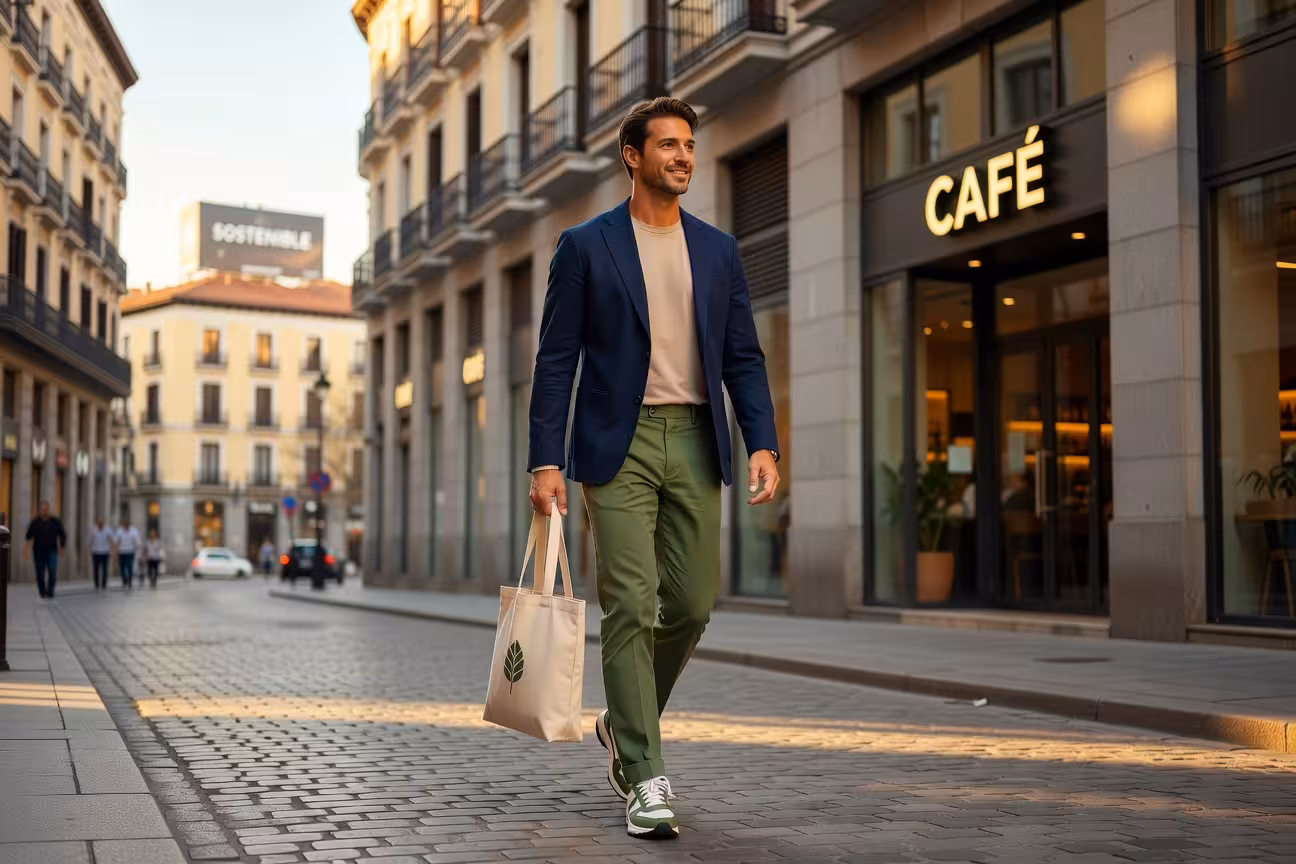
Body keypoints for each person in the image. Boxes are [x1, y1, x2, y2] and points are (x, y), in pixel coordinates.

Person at [527, 97, 780, 840]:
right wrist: (547, 457)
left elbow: (742, 354)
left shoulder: (718, 250)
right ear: (632, 156)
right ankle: (643, 773)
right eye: (667, 144)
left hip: (697, 438)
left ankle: (621, 720)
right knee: (631, 604)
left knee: (694, 604)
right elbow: (555, 362)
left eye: (690, 145)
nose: (684, 156)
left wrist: (760, 439)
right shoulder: (586, 246)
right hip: (619, 445)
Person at [24, 501, 66, 599]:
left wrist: (62, 547)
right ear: (40, 511)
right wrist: (25, 550)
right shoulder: (35, 522)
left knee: (52, 570)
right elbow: (28, 536)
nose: (44, 511)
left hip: (52, 550)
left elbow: (62, 534)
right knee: (40, 572)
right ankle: (42, 592)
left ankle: (50, 591)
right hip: (38, 551)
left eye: (45, 509)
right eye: (42, 510)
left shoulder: (55, 521)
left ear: (48, 509)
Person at [114, 517, 141, 590]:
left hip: (130, 551)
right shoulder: (119, 531)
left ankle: (129, 580)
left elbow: (137, 542)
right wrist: (116, 553)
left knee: (129, 566)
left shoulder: (134, 531)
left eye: (127, 524)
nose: (126, 525)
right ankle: (124, 580)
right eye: (125, 524)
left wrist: (136, 546)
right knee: (122, 567)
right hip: (122, 551)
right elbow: (116, 542)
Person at [89, 517, 114, 591]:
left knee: (105, 569)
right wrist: (90, 551)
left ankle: (104, 584)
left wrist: (112, 551)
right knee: (96, 569)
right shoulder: (94, 530)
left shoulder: (108, 530)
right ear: (97, 524)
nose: (100, 525)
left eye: (101, 524)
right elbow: (90, 541)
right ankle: (96, 584)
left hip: (105, 552)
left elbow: (111, 540)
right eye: (99, 524)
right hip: (96, 552)